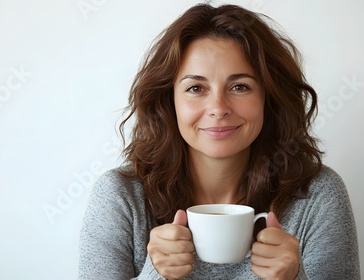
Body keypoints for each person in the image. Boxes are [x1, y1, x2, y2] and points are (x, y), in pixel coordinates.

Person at [79, 3, 360, 279]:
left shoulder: (318, 196)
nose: (218, 107)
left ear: (268, 98)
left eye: (240, 86)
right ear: (169, 101)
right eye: (195, 88)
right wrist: (155, 274)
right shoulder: (120, 198)